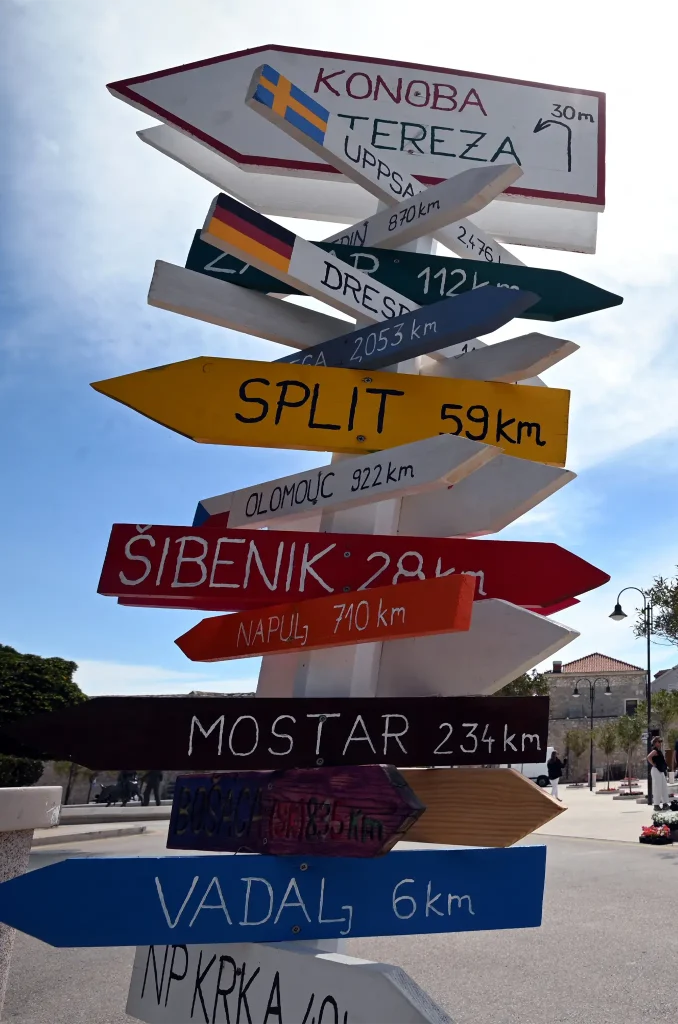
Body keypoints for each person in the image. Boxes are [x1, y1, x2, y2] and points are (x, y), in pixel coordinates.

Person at [648, 736, 670, 810]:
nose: (660, 743)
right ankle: (656, 805)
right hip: (656, 770)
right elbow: (648, 757)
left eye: (660, 742)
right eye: (659, 741)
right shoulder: (655, 751)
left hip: (660, 771)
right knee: (657, 788)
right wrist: (653, 764)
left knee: (664, 787)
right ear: (655, 743)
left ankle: (665, 804)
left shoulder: (658, 751)